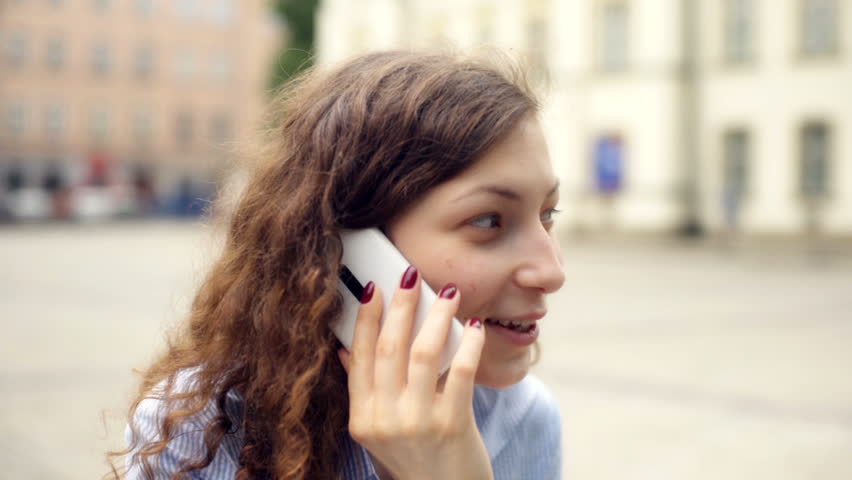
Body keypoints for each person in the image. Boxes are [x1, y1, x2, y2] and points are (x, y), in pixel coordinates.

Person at [109, 50, 566, 480]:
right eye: (488, 220)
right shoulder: (202, 429)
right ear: (346, 251)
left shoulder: (526, 417)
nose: (552, 272)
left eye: (548, 214)